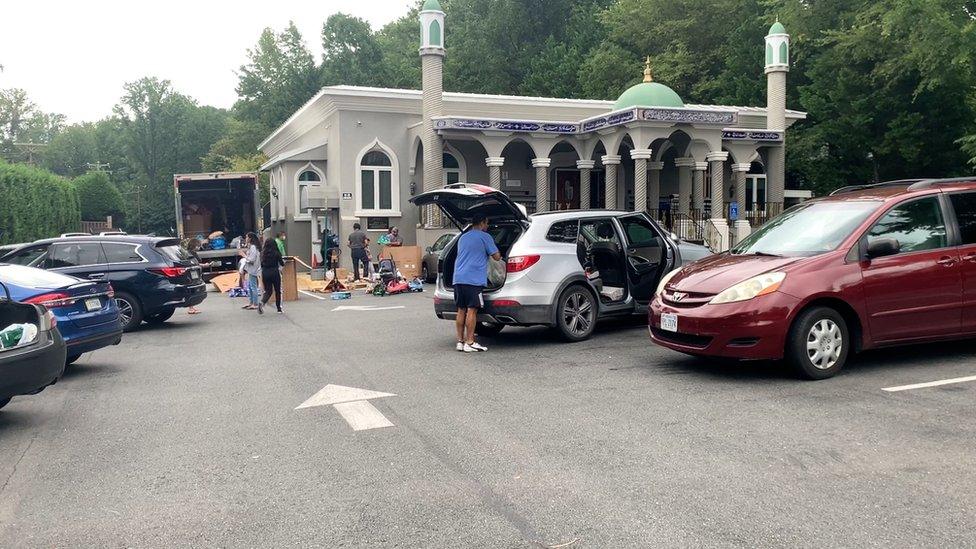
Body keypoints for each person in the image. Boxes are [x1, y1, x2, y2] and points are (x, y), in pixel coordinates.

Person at [453, 213, 501, 353]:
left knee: (461, 309)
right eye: (487, 223)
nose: (487, 226)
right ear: (481, 223)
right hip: (473, 280)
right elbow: (496, 257)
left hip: (458, 278)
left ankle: (460, 342)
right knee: (472, 310)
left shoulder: (463, 237)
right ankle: (470, 342)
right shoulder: (485, 237)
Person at [258, 237, 285, 314]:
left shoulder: (263, 253)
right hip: (275, 272)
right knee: (277, 291)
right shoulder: (276, 252)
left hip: (265, 272)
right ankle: (279, 308)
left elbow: (262, 264)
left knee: (268, 291)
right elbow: (282, 263)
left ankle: (262, 302)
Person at [240, 232, 261, 310]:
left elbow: (251, 259)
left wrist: (244, 255)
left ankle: (255, 303)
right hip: (252, 268)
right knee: (250, 286)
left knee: (253, 286)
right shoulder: (253, 246)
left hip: (253, 268)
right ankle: (251, 302)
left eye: (246, 237)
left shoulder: (253, 247)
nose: (246, 239)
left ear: (250, 238)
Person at [185, 238, 206, 315]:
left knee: (193, 290)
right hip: (192, 274)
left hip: (194, 274)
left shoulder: (190, 253)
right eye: (198, 246)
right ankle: (191, 308)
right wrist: (204, 265)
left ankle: (192, 307)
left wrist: (204, 265)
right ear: (194, 245)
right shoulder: (190, 254)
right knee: (192, 290)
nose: (199, 247)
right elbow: (194, 263)